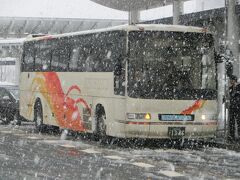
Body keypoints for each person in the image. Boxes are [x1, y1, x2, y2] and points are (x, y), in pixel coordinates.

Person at [228, 75, 240, 142]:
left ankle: (239, 137)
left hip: (238, 107)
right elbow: (230, 96)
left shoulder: (239, 87)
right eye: (230, 80)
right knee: (231, 123)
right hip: (232, 107)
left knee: (238, 123)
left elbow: (235, 95)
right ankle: (231, 137)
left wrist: (235, 89)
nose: (230, 81)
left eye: (231, 80)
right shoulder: (230, 88)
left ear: (235, 80)